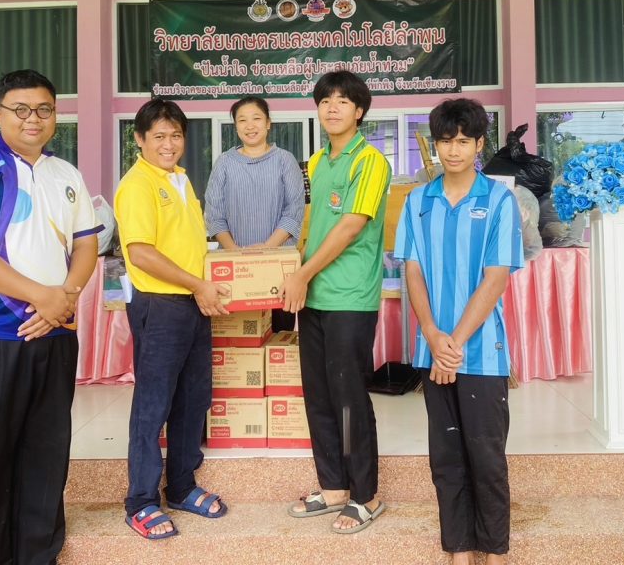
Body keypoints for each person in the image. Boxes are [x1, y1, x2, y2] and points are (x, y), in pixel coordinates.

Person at [0, 69, 102, 565]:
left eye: (44, 109)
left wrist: (63, 299)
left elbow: (86, 246)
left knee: (46, 459)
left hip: (54, 334)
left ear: (56, 115)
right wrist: (41, 297)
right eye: (21, 109)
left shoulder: (66, 174)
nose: (33, 119)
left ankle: (39, 556)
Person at [393, 98, 524, 565]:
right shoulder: (417, 202)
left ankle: (495, 550)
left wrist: (454, 343)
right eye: (446, 141)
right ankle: (459, 549)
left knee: (486, 458)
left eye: (463, 141)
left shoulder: (499, 201)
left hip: (482, 352)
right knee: (446, 458)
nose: (453, 150)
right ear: (435, 144)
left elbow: (496, 278)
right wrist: (432, 334)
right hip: (433, 350)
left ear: (479, 144)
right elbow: (412, 271)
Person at [114, 98, 230, 541]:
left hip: (193, 303)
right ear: (139, 139)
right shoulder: (137, 185)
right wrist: (197, 284)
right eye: (159, 136)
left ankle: (181, 486)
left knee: (192, 399)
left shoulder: (180, 179)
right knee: (154, 405)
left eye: (176, 135)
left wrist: (206, 285)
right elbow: (141, 253)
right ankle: (141, 500)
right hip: (160, 305)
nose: (168, 144)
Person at [282, 70, 391, 533]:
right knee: (320, 395)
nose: (332, 108)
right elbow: (317, 226)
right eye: (325, 100)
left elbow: (350, 226)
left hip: (350, 297)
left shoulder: (370, 160)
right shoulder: (317, 161)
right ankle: (332, 487)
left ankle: (366, 495)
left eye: (343, 101)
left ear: (359, 110)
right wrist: (293, 269)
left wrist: (302, 274)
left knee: (347, 398)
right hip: (314, 296)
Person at [204, 96, 305, 331]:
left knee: (279, 336)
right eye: (242, 120)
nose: (250, 126)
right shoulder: (224, 163)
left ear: (268, 123)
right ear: (236, 126)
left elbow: (294, 210)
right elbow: (214, 214)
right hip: (234, 272)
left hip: (278, 269)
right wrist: (236, 254)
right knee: (238, 341)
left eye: (256, 118)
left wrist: (266, 251)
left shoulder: (285, 160)